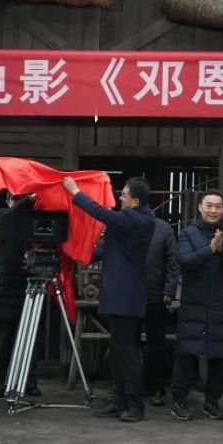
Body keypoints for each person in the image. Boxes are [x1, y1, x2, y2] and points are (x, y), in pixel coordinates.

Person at [64, 175, 156, 423]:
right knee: (117, 352)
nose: (120, 197)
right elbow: (105, 249)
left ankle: (136, 405)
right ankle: (119, 400)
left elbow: (101, 213)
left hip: (127, 295)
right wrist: (77, 251)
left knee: (127, 353)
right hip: (119, 294)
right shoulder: (130, 219)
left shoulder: (138, 219)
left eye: (124, 194)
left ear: (135, 201)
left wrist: (75, 192)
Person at [170, 190, 223, 421]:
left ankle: (212, 401)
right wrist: (209, 250)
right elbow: (184, 261)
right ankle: (179, 401)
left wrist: (221, 250)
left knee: (219, 356)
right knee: (187, 355)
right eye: (209, 206)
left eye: (218, 206)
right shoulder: (188, 233)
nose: (213, 210)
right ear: (200, 208)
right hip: (195, 305)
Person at [0, 192, 40, 399]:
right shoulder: (4, 216)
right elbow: (10, 215)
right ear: (8, 201)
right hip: (8, 288)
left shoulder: (33, 220)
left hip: (32, 282)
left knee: (32, 336)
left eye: (23, 198)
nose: (19, 203)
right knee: (6, 339)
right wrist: (29, 199)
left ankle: (29, 381)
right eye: (16, 199)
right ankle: (2, 381)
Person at [143, 215, 179, 407]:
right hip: (128, 294)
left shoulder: (163, 228)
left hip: (155, 295)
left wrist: (169, 289)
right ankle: (130, 387)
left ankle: (157, 388)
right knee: (127, 344)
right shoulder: (122, 222)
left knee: (156, 344)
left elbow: (173, 261)